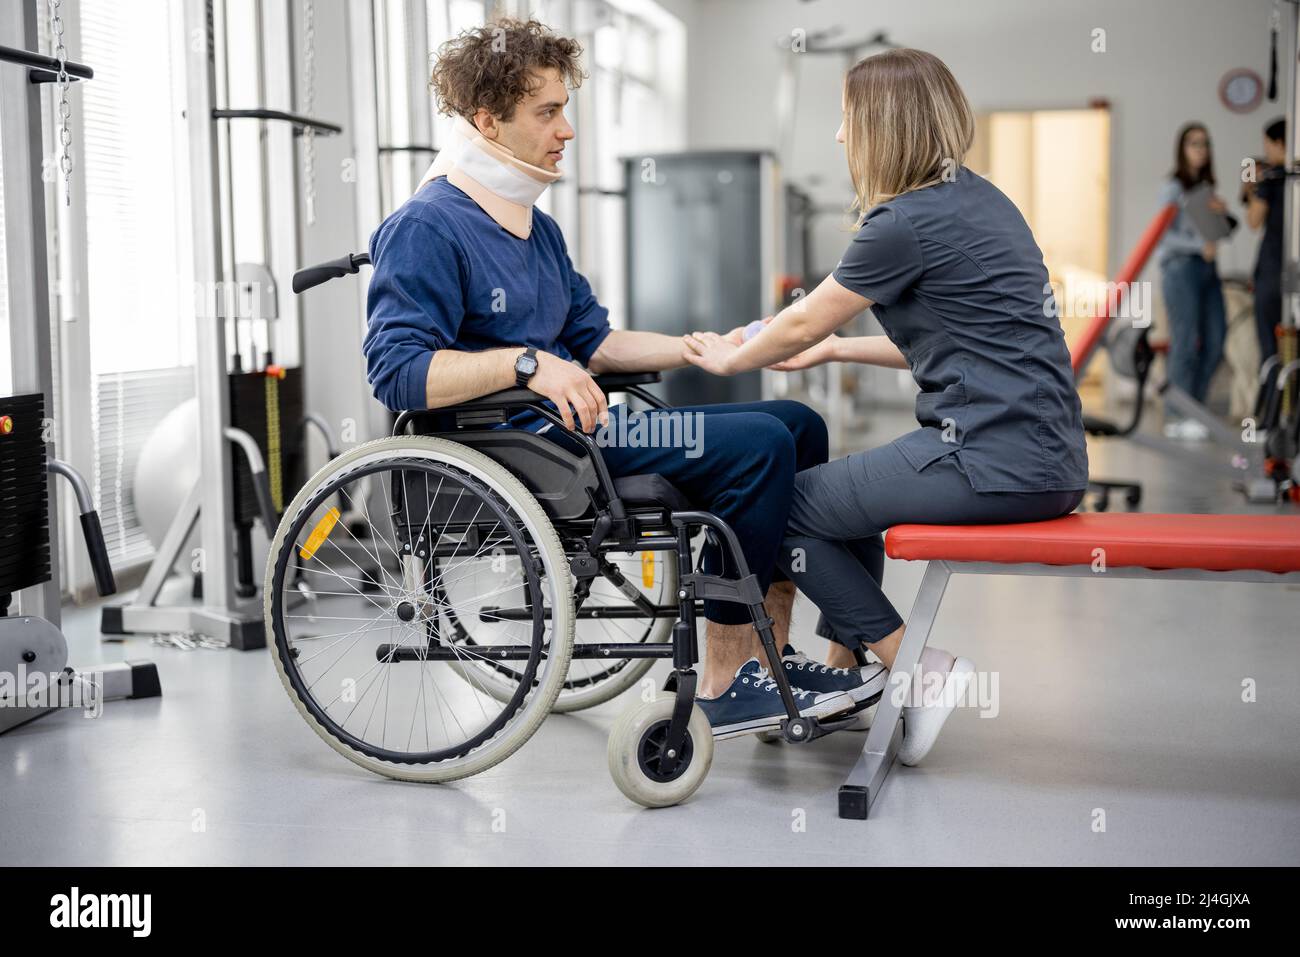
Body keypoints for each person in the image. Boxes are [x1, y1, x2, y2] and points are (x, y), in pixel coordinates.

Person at [361, 19, 885, 738]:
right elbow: (397, 371)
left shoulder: (534, 228)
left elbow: (596, 342)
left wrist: (698, 346)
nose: (567, 130)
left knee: (801, 424)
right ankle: (730, 674)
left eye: (565, 110)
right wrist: (527, 362)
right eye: (548, 112)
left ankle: (770, 650)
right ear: (487, 120)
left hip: (579, 429)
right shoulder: (428, 225)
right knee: (762, 443)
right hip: (521, 450)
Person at [683, 48, 1088, 765]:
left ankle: (915, 665)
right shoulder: (982, 199)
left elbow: (804, 316)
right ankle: (846, 677)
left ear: (880, 125)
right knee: (846, 494)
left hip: (987, 458)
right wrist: (838, 352)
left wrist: (729, 356)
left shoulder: (901, 223)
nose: (840, 136)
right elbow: (956, 344)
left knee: (781, 506)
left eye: (846, 119)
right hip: (1045, 456)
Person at [1156, 123, 1228, 441]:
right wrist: (1200, 246)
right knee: (1185, 343)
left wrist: (1221, 217)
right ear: (1182, 149)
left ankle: (1193, 410)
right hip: (1180, 269)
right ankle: (1176, 415)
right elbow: (1163, 238)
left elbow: (1213, 234)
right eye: (1193, 143)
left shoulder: (1207, 188)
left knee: (1216, 340)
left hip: (1207, 271)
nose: (1200, 149)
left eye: (1205, 144)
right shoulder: (1173, 188)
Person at [1243, 118, 1287, 363]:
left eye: (1267, 144)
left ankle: (1274, 398)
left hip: (1272, 273)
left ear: (1279, 143)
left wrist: (1251, 188)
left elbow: (1253, 221)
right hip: (1292, 274)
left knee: (1271, 351)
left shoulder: (1270, 180)